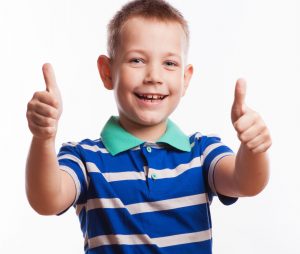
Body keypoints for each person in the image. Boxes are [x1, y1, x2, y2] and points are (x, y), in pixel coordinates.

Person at [25, 0, 272, 253]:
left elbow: (246, 182)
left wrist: (254, 149)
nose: (154, 76)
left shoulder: (201, 152)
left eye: (169, 63)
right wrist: (43, 138)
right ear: (107, 72)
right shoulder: (85, 159)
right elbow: (47, 201)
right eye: (136, 60)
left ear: (185, 79)